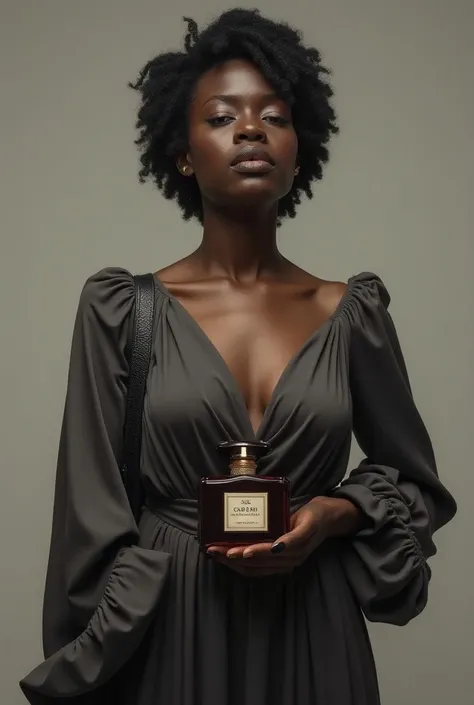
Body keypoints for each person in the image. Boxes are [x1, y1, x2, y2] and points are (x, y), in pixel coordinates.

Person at [21, 8, 457, 705]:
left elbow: (412, 482)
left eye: (274, 116)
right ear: (183, 153)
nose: (251, 129)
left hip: (314, 622)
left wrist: (332, 514)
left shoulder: (352, 312)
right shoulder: (121, 311)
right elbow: (90, 512)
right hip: (173, 627)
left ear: (299, 146)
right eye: (223, 116)